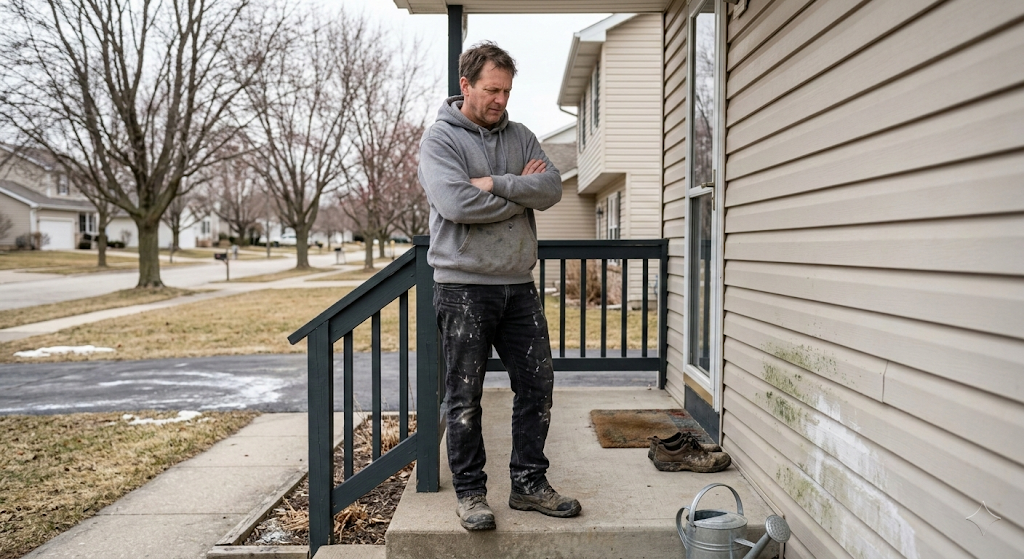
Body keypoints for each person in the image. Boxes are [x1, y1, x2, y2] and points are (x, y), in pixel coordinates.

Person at [417, 41, 581, 532]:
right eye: (492, 90)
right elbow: (456, 204)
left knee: (537, 386)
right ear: (465, 85)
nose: (500, 100)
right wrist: (518, 189)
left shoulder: (522, 135)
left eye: (507, 91)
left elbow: (551, 188)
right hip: (463, 287)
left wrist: (493, 182)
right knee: (464, 396)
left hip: (518, 285)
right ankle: (470, 494)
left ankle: (529, 483)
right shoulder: (440, 140)